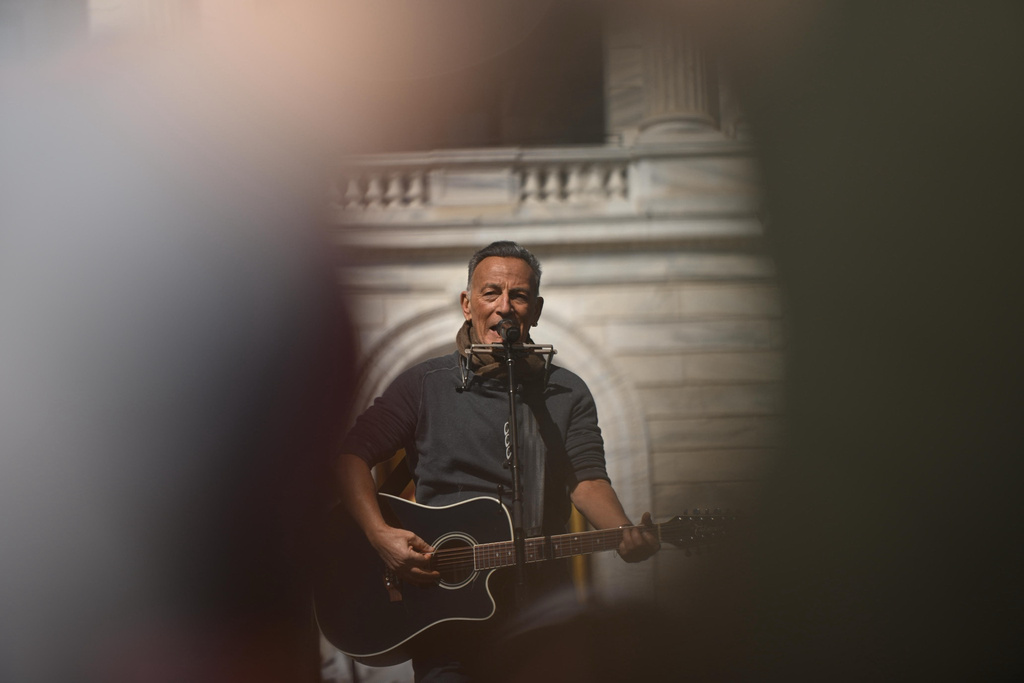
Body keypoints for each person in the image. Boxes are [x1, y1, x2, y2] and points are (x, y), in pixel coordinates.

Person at [335, 241, 660, 681]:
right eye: (491, 293)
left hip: (542, 617)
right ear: (467, 304)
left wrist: (623, 532)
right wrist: (380, 536)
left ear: (537, 309)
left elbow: (586, 479)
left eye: (519, 296)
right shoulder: (423, 385)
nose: (505, 307)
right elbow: (350, 456)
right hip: (444, 619)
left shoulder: (566, 392)